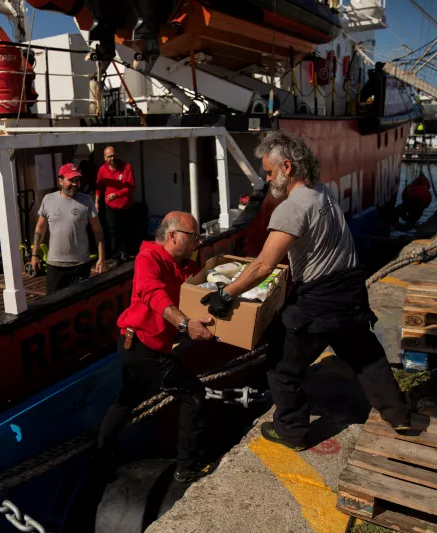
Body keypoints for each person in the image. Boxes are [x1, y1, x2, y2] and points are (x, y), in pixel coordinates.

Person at [202, 130, 411, 451]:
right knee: (365, 354)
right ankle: (398, 414)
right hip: (352, 291)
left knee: (281, 366)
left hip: (320, 299)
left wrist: (225, 294)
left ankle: (292, 432)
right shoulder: (323, 193)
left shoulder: (291, 208)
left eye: (269, 172)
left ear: (287, 167)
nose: (266, 178)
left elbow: (262, 266)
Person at [97, 211, 216, 483]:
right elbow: (153, 295)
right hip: (140, 347)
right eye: (193, 236)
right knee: (193, 393)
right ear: (173, 236)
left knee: (126, 401)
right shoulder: (147, 258)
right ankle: (188, 466)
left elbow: (201, 286)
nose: (198, 241)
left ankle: (101, 459)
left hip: (144, 347)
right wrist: (186, 325)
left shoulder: (182, 263)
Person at [31, 163, 106, 294]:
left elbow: (98, 231)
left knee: (80, 305)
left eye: (77, 180)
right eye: (71, 180)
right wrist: (35, 255)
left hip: (80, 265)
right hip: (55, 265)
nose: (75, 184)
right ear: (60, 181)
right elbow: (40, 229)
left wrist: (101, 258)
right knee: (53, 306)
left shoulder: (86, 200)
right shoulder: (48, 199)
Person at [96, 145, 137, 264]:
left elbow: (131, 187)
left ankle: (126, 253)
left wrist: (117, 194)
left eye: (113, 155)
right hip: (111, 206)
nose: (112, 158)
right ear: (105, 158)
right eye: (109, 156)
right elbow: (99, 187)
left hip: (126, 205)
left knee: (126, 230)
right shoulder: (102, 170)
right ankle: (115, 256)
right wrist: (96, 202)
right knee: (113, 230)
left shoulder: (126, 167)